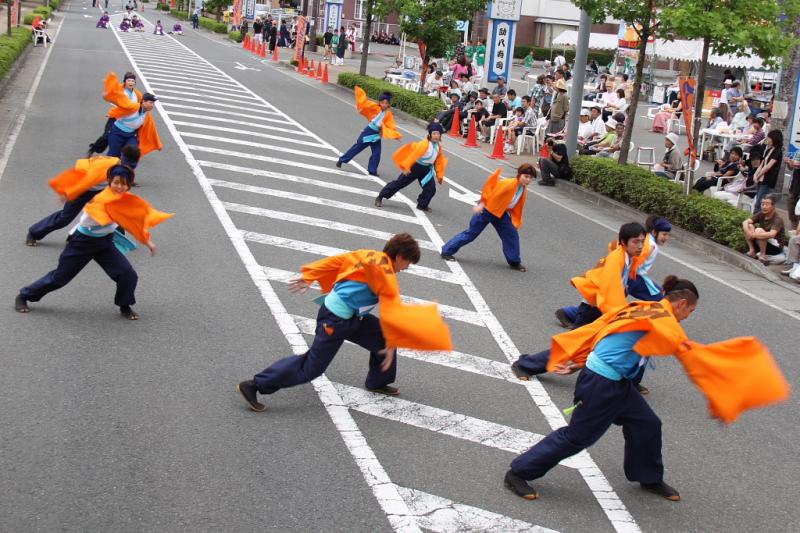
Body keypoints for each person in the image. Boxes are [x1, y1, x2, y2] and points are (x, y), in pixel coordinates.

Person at [504, 276, 789, 502]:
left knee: (647, 424)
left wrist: (580, 363)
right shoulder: (661, 319)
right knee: (578, 437)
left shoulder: (647, 308)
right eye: (691, 310)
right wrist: (725, 388)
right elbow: (690, 355)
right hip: (602, 385)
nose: (689, 316)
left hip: (616, 382)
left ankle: (648, 476)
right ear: (681, 304)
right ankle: (519, 472)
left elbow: (607, 332)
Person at [235, 234, 452, 411]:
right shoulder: (386, 273)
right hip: (336, 320)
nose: (407, 267)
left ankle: (377, 381)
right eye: (408, 262)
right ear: (399, 256)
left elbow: (336, 261)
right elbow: (392, 306)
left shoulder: (369, 255)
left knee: (383, 339)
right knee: (312, 367)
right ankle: (255, 385)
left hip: (350, 316)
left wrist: (309, 275)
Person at [15, 166, 172, 320]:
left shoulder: (124, 199)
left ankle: (125, 305)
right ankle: (24, 295)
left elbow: (133, 221)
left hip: (105, 243)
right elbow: (102, 212)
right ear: (110, 181)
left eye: (124, 184)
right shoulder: (101, 198)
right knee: (60, 278)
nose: (120, 186)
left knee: (127, 274)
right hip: (82, 242)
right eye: (116, 182)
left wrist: (147, 241)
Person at [26, 146, 141, 247]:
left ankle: (112, 238)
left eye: (132, 166)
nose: (128, 169)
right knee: (64, 218)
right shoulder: (106, 167)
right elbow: (86, 181)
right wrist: (68, 193)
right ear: (122, 159)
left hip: (99, 189)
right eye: (127, 165)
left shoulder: (125, 169)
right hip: (82, 187)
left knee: (112, 211)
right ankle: (34, 232)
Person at [440, 165, 535, 272]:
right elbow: (492, 193)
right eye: (526, 176)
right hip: (487, 210)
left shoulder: (522, 188)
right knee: (471, 233)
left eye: (531, 178)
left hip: (500, 213)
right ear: (519, 174)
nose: (528, 180)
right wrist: (482, 204)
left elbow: (512, 203)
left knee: (511, 234)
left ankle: (514, 261)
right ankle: (446, 251)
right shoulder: (509, 183)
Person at [375, 123, 448, 212]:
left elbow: (439, 161)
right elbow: (413, 156)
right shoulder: (424, 144)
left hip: (426, 170)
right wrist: (407, 167)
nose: (436, 136)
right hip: (415, 167)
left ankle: (422, 205)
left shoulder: (438, 146)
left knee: (431, 188)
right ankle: (380, 196)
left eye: (438, 134)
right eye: (434, 133)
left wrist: (439, 175)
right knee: (399, 183)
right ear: (429, 134)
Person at [336, 87, 401, 176]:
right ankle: (342, 159)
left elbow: (391, 124)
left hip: (377, 134)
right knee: (357, 148)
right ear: (379, 102)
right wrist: (360, 102)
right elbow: (365, 103)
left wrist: (394, 134)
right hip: (369, 131)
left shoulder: (388, 114)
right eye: (382, 102)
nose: (384, 104)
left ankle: (372, 170)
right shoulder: (375, 107)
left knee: (377, 153)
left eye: (386, 103)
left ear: (389, 104)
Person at [100, 72, 162, 159]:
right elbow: (120, 101)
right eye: (150, 103)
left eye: (153, 103)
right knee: (113, 157)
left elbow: (152, 129)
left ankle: (124, 169)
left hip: (130, 135)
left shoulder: (146, 114)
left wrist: (158, 145)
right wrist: (108, 95)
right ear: (143, 102)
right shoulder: (132, 106)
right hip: (117, 133)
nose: (152, 105)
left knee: (131, 155)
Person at [743, 194, 787, 263]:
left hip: (775, 247)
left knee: (759, 230)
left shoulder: (778, 219)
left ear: (773, 206)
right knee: (749, 226)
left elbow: (771, 234)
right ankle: (752, 251)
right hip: (762, 242)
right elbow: (745, 222)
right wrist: (749, 232)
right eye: (762, 204)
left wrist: (753, 235)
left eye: (767, 204)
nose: (764, 206)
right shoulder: (761, 214)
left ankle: (762, 255)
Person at [752, 130, 783, 212]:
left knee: (761, 204)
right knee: (758, 202)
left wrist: (758, 176)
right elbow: (762, 164)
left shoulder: (778, 151)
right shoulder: (769, 150)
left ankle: (756, 221)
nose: (767, 139)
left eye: (769, 137)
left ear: (774, 138)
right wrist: (755, 174)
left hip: (768, 180)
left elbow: (768, 167)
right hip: (761, 179)